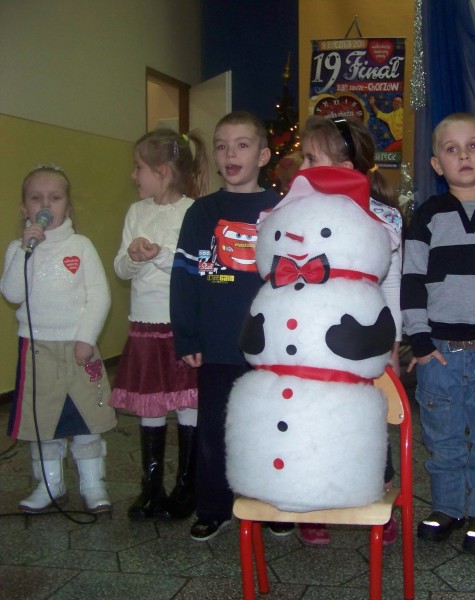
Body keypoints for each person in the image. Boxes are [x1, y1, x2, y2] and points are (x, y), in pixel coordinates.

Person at [401, 112, 475, 554]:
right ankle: (447, 508)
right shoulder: (427, 217)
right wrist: (420, 341)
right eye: (451, 149)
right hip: (439, 353)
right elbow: (411, 279)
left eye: (473, 146)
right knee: (442, 437)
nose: (463, 155)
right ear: (437, 164)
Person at [289, 114, 404, 546]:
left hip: (359, 341)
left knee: (367, 420)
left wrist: (392, 342)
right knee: (311, 421)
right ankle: (313, 504)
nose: (302, 169)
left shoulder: (382, 218)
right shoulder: (295, 213)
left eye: (311, 159)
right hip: (308, 340)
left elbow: (392, 282)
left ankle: (377, 494)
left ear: (346, 168)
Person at [170, 111, 279, 541]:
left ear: (264, 154)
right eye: (221, 145)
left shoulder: (281, 209)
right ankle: (214, 505)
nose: (230, 153)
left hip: (272, 345)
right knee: (214, 427)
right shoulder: (202, 212)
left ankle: (272, 502)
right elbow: (184, 277)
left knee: (271, 424)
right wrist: (187, 335)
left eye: (242, 144)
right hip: (216, 343)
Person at [1, 165, 116, 514]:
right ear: (24, 208)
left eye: (54, 197)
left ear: (67, 205)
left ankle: (93, 483)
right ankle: (48, 483)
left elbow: (99, 296)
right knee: (43, 421)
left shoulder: (80, 246)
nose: (45, 204)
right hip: (37, 349)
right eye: (36, 199)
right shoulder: (18, 249)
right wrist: (25, 250)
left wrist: (86, 338)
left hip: (78, 347)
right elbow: (12, 293)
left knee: (86, 419)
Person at [110, 129, 208, 520]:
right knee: (151, 404)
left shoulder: (192, 212)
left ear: (163, 171)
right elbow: (119, 266)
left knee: (187, 403)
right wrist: (134, 256)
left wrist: (160, 254)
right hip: (145, 326)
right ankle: (151, 487)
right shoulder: (137, 212)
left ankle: (187, 486)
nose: (134, 176)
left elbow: (199, 266)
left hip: (180, 325)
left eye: (139, 168)